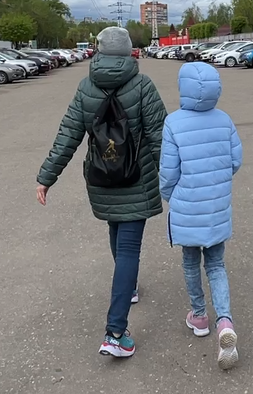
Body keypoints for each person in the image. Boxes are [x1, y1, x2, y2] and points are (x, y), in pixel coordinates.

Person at [35, 26, 166, 359]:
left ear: (98, 52)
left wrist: (46, 177)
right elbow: (160, 138)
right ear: (128, 53)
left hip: (102, 179)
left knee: (115, 228)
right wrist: (175, 180)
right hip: (137, 179)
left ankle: (129, 288)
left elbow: (68, 136)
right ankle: (115, 333)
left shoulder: (85, 87)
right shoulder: (142, 86)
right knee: (128, 250)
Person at [159, 61, 244, 370]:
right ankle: (225, 322)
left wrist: (169, 196)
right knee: (217, 264)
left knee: (191, 261)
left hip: (187, 205)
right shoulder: (224, 120)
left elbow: (168, 172)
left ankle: (199, 317)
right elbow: (236, 160)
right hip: (216, 205)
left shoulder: (173, 123)